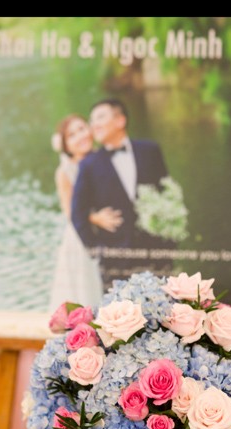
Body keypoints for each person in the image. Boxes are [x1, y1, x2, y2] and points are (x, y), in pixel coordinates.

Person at [71, 99, 171, 287]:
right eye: (92, 120)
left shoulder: (150, 151)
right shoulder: (89, 165)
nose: (94, 124)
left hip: (156, 254)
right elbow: (77, 214)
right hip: (115, 262)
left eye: (100, 117)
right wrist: (97, 251)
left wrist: (168, 243)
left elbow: (167, 195)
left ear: (120, 121)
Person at [49, 114, 122, 310]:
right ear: (66, 146)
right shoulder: (65, 171)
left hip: (111, 231)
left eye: (82, 129)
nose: (80, 136)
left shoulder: (104, 156)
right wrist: (95, 218)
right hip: (81, 236)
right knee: (87, 287)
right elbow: (69, 211)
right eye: (72, 135)